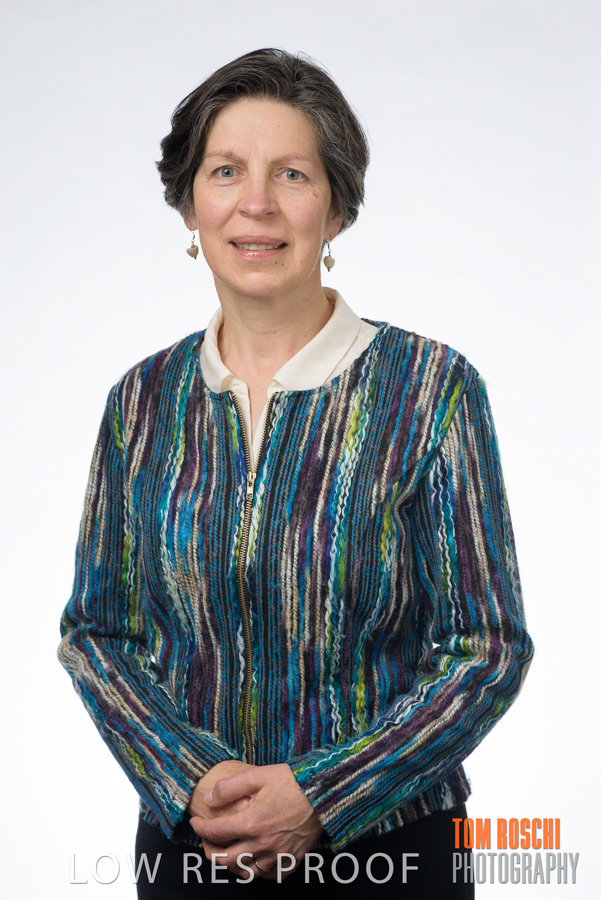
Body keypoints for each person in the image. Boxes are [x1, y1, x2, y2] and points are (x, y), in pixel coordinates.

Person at [58, 48, 533, 898]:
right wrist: (190, 777)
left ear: (336, 208)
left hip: (394, 855)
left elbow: (486, 650)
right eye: (226, 171)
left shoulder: (430, 389)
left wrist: (324, 794)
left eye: (291, 174)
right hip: (192, 850)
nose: (257, 203)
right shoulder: (141, 402)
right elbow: (98, 633)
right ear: (189, 205)